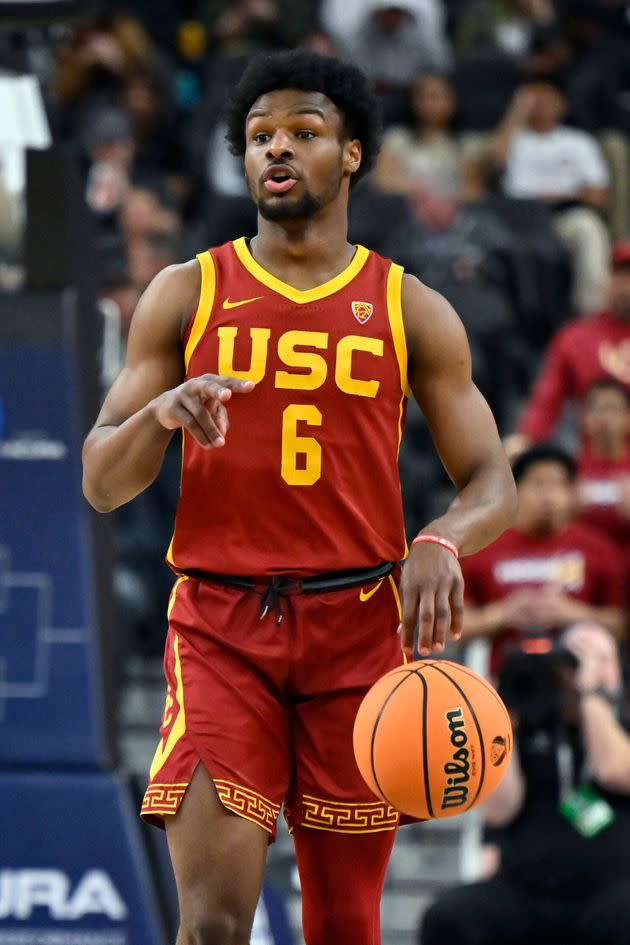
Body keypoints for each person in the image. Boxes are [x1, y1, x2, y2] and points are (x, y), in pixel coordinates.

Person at [82, 50, 515, 945]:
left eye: (304, 134)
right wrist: (159, 414)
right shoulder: (185, 291)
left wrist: (441, 537)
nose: (276, 149)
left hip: (359, 629)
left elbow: (493, 479)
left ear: (351, 153)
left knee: (347, 925)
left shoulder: (412, 307)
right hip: (220, 626)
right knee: (211, 922)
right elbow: (100, 480)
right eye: (259, 136)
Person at [420, 622, 630, 945]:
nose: (591, 668)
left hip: (610, 891)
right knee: (447, 918)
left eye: (602, 658)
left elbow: (617, 771)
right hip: (526, 891)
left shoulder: (621, 723)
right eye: (579, 659)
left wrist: (590, 695)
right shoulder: (528, 725)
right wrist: (502, 718)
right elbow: (499, 811)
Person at [461, 444, 625, 674]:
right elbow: (456, 628)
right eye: (538, 484)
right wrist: (502, 614)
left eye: (558, 485)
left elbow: (621, 624)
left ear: (572, 492)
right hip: (504, 674)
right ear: (516, 489)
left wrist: (573, 614)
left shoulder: (599, 549)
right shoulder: (483, 546)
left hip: (576, 674)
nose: (549, 496)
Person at [488, 75, 610, 315]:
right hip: (519, 222)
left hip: (564, 219)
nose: (541, 103)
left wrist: (546, 196)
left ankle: (591, 316)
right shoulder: (513, 140)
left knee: (588, 229)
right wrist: (516, 113)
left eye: (548, 97)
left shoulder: (578, 141)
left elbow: (598, 196)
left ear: (563, 104)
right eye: (534, 98)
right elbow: (490, 164)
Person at [506, 241, 630, 457]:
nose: (627, 286)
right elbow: (546, 402)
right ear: (607, 280)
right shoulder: (576, 337)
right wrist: (524, 440)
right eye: (621, 275)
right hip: (589, 468)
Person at [577, 378, 630, 580]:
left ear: (627, 417)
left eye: (613, 409)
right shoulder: (567, 471)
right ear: (584, 418)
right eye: (597, 409)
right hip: (586, 566)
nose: (605, 418)